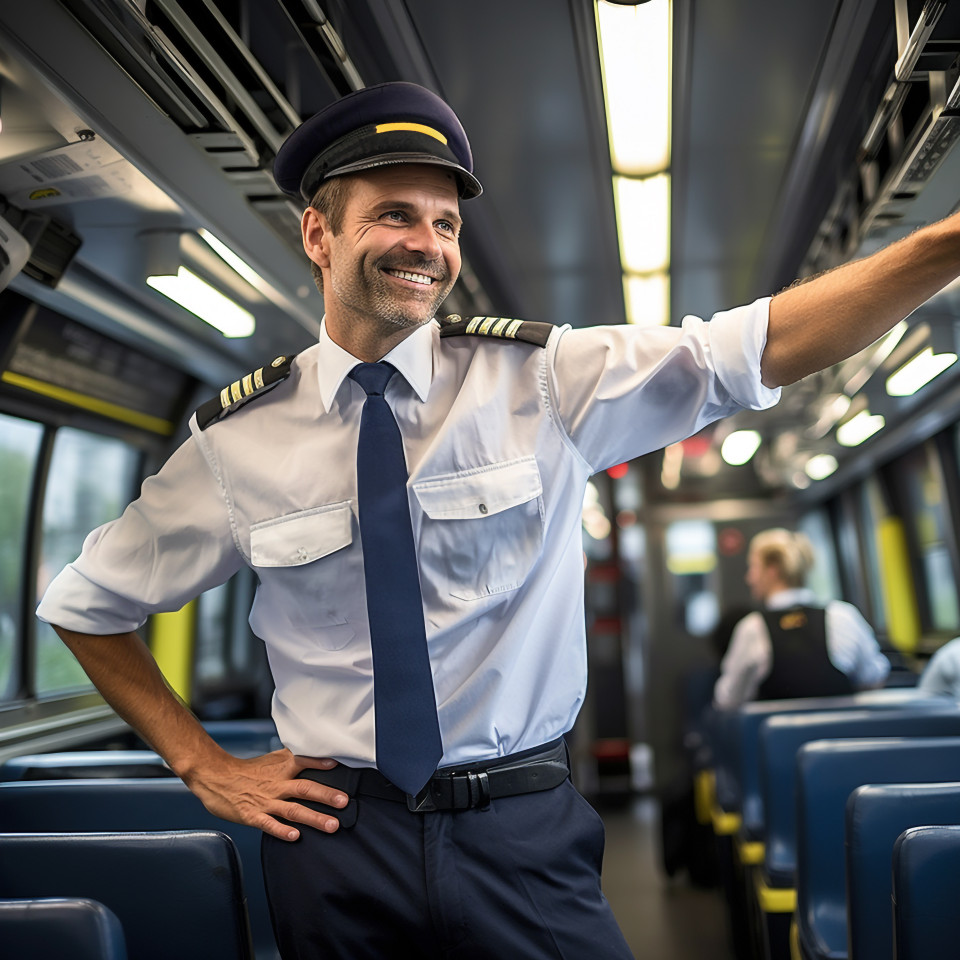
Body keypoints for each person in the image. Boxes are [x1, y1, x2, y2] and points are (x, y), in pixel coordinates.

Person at [35, 79, 960, 958]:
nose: (427, 244)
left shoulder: (544, 382)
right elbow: (87, 603)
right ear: (318, 235)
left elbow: (753, 350)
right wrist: (203, 764)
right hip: (335, 839)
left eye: (445, 223)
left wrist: (942, 246)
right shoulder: (237, 442)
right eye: (395, 214)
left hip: (519, 827)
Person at [713, 529, 889, 709]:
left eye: (753, 567)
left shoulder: (752, 628)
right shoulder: (843, 616)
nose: (749, 578)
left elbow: (728, 698)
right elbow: (874, 678)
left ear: (772, 570)